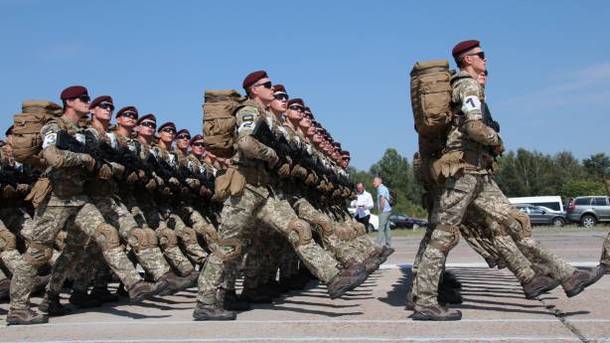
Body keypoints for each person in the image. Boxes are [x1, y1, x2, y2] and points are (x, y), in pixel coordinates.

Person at [409, 40, 602, 321]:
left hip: (478, 174)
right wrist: (496, 140)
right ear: (467, 60)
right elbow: (473, 126)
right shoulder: (467, 85)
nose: (485, 60)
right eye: (480, 56)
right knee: (442, 236)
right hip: (462, 174)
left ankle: (568, 275)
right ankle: (425, 300)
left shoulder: (465, 85)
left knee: (514, 222)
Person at [373, 177, 392, 247]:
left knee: (381, 227)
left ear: (379, 182)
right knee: (387, 227)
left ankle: (378, 243)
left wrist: (381, 209)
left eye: (374, 181)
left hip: (384, 211)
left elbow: (382, 199)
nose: (373, 183)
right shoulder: (384, 188)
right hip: (388, 210)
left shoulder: (381, 188)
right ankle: (388, 244)